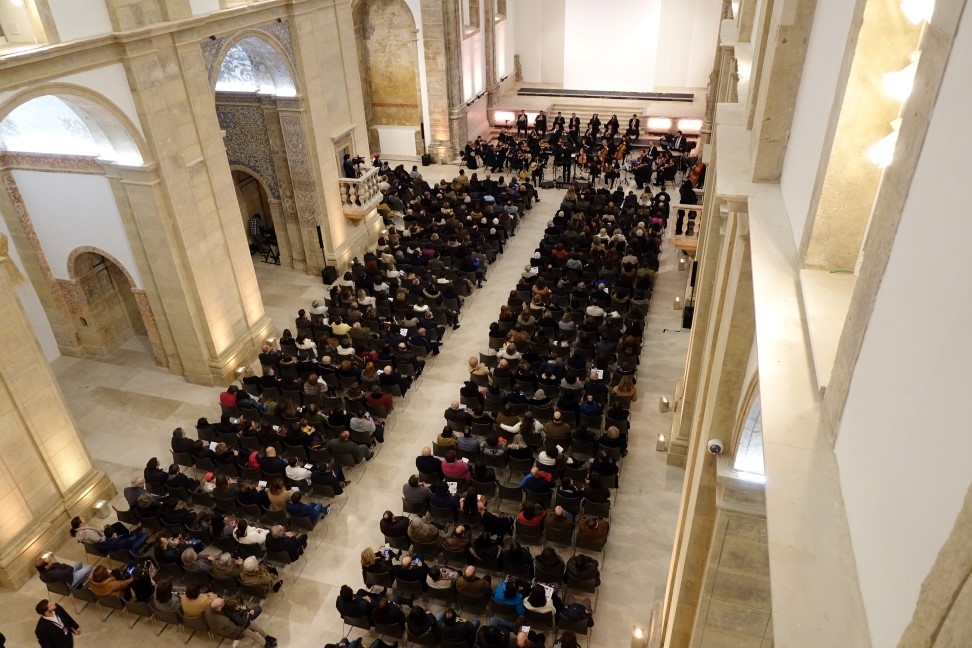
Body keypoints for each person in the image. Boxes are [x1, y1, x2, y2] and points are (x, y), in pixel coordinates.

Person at [205, 597, 277, 647]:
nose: (223, 599)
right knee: (255, 636)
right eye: (221, 600)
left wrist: (247, 610)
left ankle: (267, 636)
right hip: (241, 627)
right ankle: (265, 644)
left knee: (258, 627)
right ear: (221, 606)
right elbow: (240, 624)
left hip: (244, 621)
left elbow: (242, 607)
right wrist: (246, 613)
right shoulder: (228, 616)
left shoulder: (226, 604)